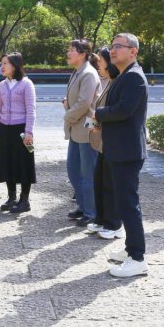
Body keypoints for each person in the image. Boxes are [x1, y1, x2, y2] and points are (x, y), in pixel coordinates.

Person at [94, 33, 149, 278]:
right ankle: (130, 250)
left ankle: (137, 258)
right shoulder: (125, 75)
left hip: (127, 151)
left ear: (133, 51)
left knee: (128, 204)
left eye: (119, 46)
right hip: (120, 149)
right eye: (113, 46)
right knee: (124, 203)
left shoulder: (134, 76)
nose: (113, 50)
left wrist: (99, 114)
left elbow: (125, 110)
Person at [85, 47, 123, 240]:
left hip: (112, 143)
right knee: (99, 182)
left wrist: (96, 122)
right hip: (102, 142)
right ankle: (101, 220)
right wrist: (94, 125)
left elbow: (113, 112)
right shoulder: (107, 82)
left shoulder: (117, 82)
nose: (98, 64)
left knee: (110, 185)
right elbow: (98, 110)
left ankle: (114, 224)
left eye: (100, 60)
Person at [62, 39, 101, 227]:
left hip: (87, 127)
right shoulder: (78, 72)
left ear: (83, 54)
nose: (68, 53)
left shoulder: (88, 73)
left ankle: (91, 212)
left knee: (87, 173)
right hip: (76, 128)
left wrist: (68, 115)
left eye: (72, 50)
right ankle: (84, 205)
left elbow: (85, 103)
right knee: (73, 169)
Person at [0, 52, 37, 213]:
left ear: (15, 65)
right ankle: (11, 198)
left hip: (22, 130)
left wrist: (29, 131)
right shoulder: (2, 85)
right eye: (1, 63)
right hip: (5, 129)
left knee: (24, 164)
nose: (2, 67)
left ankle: (24, 200)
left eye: (5, 63)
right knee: (7, 163)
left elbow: (31, 109)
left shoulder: (26, 84)